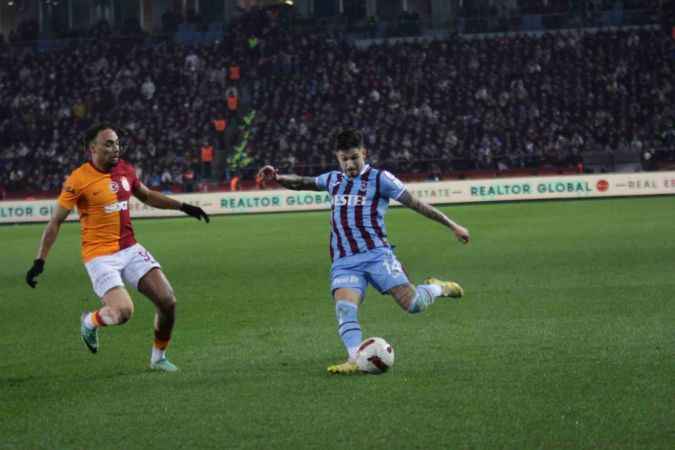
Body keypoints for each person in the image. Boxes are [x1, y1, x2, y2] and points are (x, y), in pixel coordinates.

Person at [257, 129, 470, 374]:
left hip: (378, 255)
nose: (349, 164)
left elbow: (417, 204)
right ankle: (353, 359)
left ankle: (439, 288)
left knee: (413, 304)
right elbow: (304, 182)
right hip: (345, 261)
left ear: (364, 153)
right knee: (345, 308)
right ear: (337, 158)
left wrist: (453, 225)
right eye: (344, 159)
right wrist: (278, 177)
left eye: (354, 157)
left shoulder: (381, 179)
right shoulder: (333, 180)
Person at [25, 123, 210, 372]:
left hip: (130, 248)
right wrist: (40, 260)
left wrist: (184, 207)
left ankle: (158, 358)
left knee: (168, 302)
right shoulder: (78, 179)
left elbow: (147, 195)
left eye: (117, 143)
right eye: (109, 144)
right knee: (123, 312)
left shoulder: (124, 170)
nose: (116, 148)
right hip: (99, 256)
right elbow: (56, 221)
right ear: (93, 148)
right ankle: (90, 321)